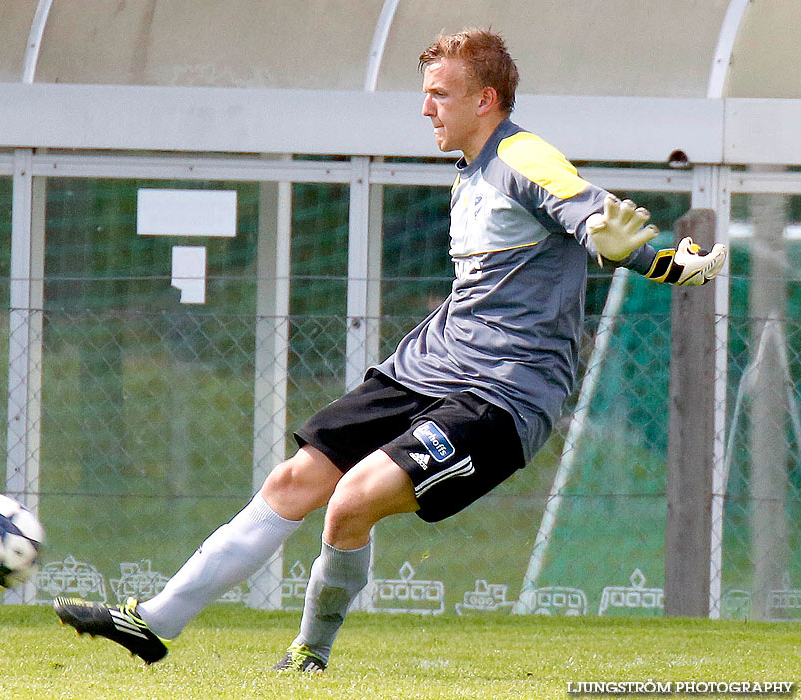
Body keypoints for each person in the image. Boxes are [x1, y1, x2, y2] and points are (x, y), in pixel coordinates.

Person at [53, 28, 727, 672]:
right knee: (294, 482)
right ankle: (154, 623)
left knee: (353, 500)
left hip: (504, 394)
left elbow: (594, 216)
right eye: (426, 91)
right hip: (426, 368)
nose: (425, 105)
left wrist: (668, 263)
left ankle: (310, 652)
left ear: (485, 99)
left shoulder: (522, 157)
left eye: (440, 92)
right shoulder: (470, 173)